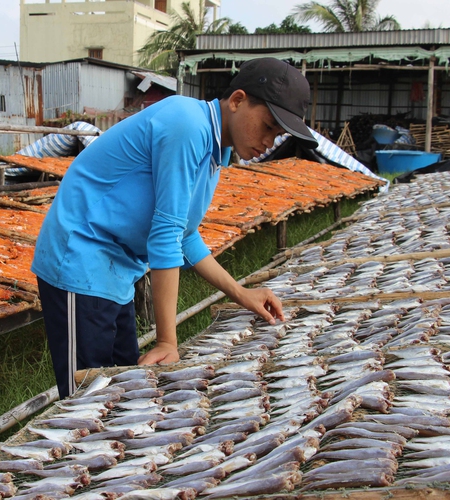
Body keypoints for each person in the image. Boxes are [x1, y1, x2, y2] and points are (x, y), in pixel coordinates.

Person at [31, 57, 318, 399]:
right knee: (87, 396)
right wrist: (168, 339)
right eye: (268, 126)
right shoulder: (187, 124)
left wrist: (241, 294)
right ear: (238, 100)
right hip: (81, 256)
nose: (269, 142)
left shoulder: (215, 151)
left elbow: (184, 234)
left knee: (121, 385)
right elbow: (165, 234)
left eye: (277, 135)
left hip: (117, 268)